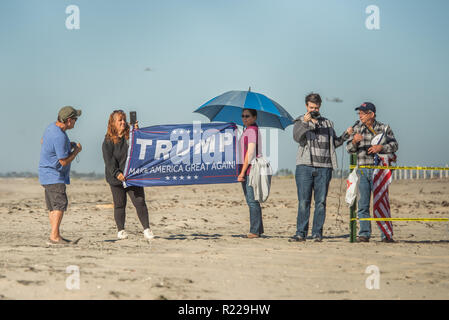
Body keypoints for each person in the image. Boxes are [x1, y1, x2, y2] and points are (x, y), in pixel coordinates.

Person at [291, 93, 353, 242]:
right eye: (311, 107)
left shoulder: (328, 124)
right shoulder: (300, 121)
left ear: (320, 107)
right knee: (303, 202)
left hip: (324, 167)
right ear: (306, 106)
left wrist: (346, 135)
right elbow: (297, 138)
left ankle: (317, 233)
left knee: (321, 202)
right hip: (304, 167)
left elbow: (335, 143)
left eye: (316, 107)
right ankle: (301, 233)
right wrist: (305, 123)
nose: (314, 110)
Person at [346, 102, 398, 243]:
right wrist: (355, 142)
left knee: (381, 203)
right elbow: (348, 149)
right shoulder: (357, 128)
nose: (360, 116)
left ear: (372, 114)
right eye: (359, 113)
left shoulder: (384, 128)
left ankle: (385, 235)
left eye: (363, 113)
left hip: (379, 172)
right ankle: (364, 234)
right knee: (362, 204)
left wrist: (380, 147)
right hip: (362, 171)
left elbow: (395, 145)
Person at [102, 110, 155, 241]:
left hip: (133, 176)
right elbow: (109, 161)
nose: (123, 122)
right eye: (119, 120)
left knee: (140, 202)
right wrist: (117, 173)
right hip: (116, 178)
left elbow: (141, 148)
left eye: (124, 120)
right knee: (120, 204)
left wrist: (137, 132)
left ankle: (147, 229)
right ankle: (121, 230)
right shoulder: (108, 142)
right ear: (113, 123)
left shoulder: (131, 136)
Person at [39, 106, 82, 244]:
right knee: (59, 205)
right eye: (75, 119)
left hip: (45, 174)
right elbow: (63, 161)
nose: (76, 122)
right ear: (68, 120)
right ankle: (54, 236)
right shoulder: (59, 135)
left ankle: (55, 234)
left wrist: (67, 145)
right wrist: (76, 152)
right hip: (54, 175)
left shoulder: (51, 128)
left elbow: (43, 141)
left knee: (53, 206)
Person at [238, 108, 264, 239]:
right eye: (242, 116)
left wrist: (242, 172)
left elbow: (251, 152)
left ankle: (254, 231)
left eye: (247, 116)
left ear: (254, 117)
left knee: (252, 200)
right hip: (248, 169)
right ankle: (257, 229)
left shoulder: (252, 130)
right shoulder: (247, 130)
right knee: (252, 200)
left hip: (251, 170)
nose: (244, 118)